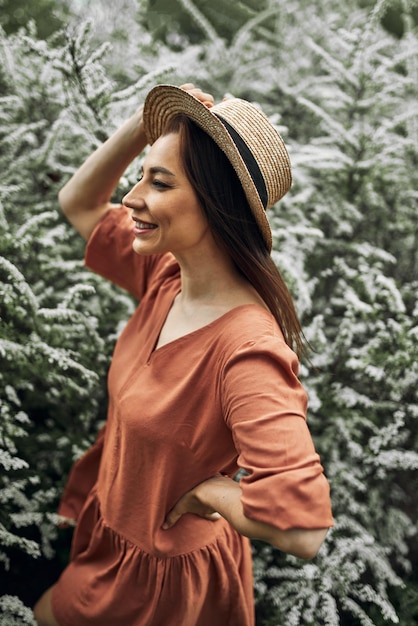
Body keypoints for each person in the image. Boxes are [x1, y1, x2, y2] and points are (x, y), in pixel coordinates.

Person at [33, 83, 333, 626]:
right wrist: (143, 126)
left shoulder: (246, 351)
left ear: (216, 205)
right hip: (112, 544)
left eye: (160, 182)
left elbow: (303, 529)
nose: (132, 198)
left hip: (160, 584)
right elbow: (78, 203)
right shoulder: (168, 275)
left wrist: (217, 493)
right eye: (142, 176)